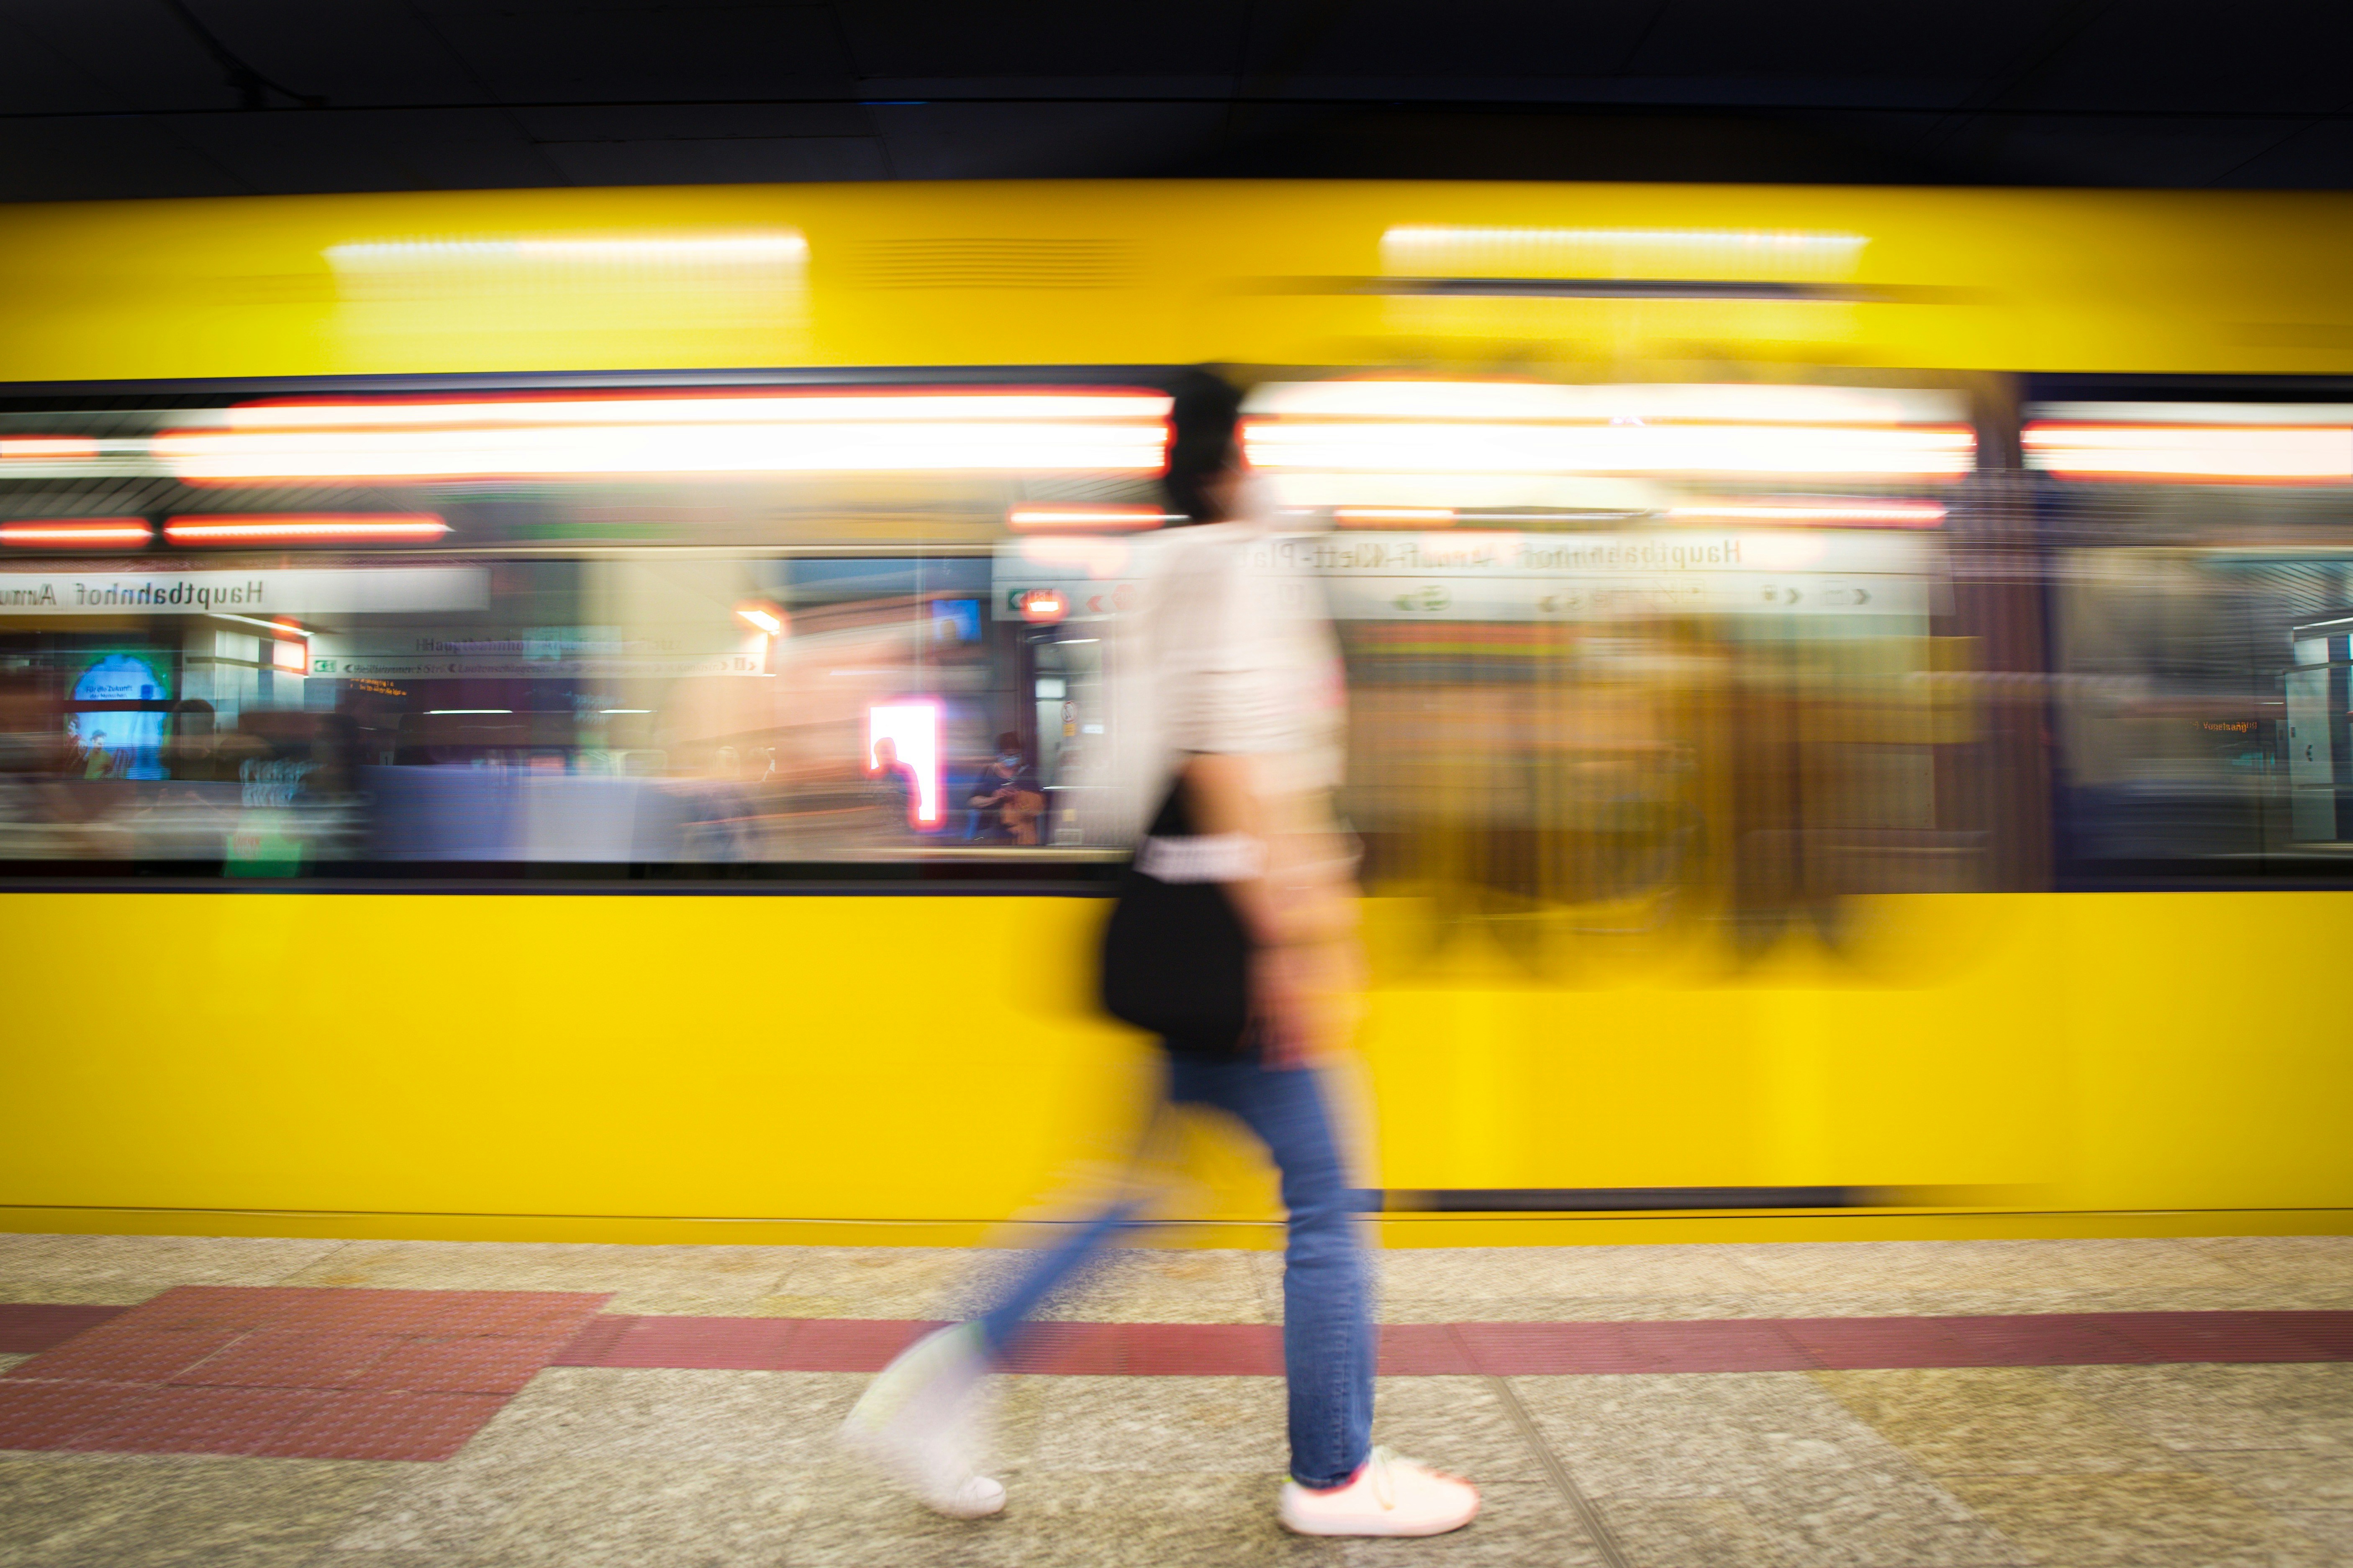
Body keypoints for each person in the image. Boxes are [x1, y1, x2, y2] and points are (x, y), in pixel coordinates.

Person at [840, 371, 1481, 1538]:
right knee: (1329, 1202)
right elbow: (1231, 756)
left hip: (1169, 917)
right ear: (1236, 455)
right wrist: (1303, 938)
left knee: (1137, 1194)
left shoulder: (1160, 569)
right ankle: (1332, 1474)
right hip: (1236, 937)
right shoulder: (1241, 564)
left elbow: (1147, 761)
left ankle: (935, 1386)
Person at [964, 733, 1044, 844]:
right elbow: (973, 802)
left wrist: (1019, 797)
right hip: (989, 834)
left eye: (1016, 755)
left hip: (1019, 837)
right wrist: (994, 798)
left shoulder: (1027, 774)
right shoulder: (989, 772)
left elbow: (1039, 805)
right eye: (1008, 755)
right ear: (1000, 754)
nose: (1012, 759)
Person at [870, 735, 920, 832]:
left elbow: (916, 800)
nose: (884, 757)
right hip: (880, 829)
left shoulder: (906, 771)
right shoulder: (873, 776)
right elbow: (867, 802)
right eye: (880, 754)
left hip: (903, 829)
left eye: (887, 752)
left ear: (894, 753)